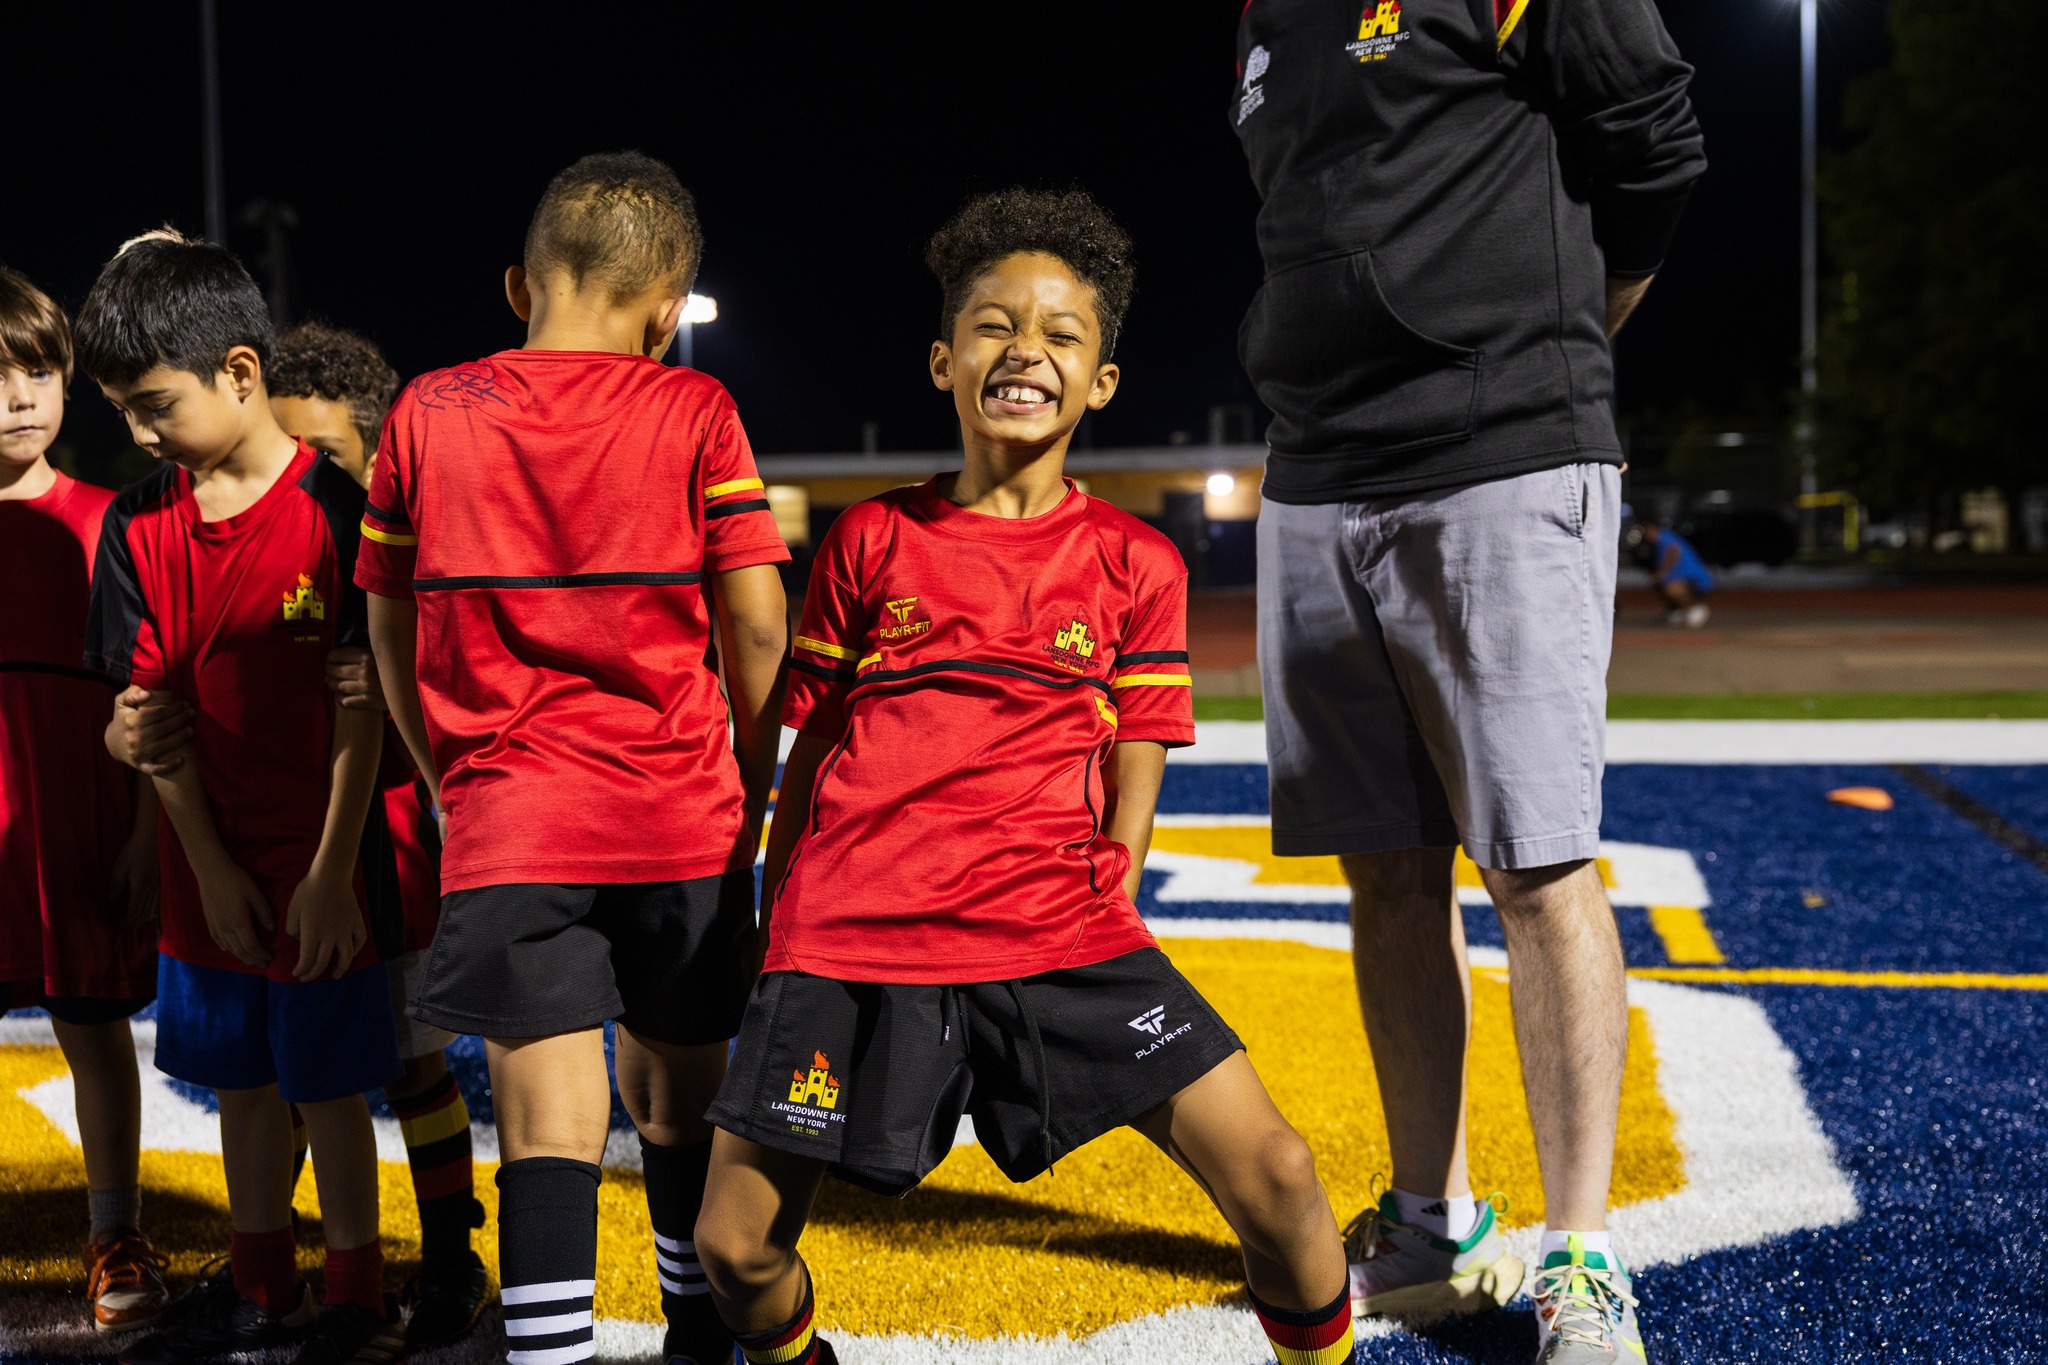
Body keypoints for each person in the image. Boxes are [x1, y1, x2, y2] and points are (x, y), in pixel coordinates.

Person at [693, 188, 1359, 1365]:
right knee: (735, 1250)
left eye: (1060, 334)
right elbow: (813, 745)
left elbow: (1139, 746)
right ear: (942, 361)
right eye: (994, 326)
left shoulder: (1134, 561)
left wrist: (1118, 879)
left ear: (1099, 381)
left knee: (1282, 1177)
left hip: (1054, 926)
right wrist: (768, 916)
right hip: (851, 930)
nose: (1024, 351)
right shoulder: (867, 540)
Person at [1230, 1, 1705, 1359]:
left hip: (1502, 449)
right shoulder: (1265, 12)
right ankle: (1433, 1224)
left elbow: (1655, 141)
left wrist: (1555, 339)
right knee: (1384, 870)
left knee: (1538, 866)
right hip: (1316, 470)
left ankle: (1582, 1255)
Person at [355, 152, 791, 1365]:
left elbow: (387, 625)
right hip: (679, 813)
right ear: (668, 310)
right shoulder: (694, 409)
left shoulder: (426, 412)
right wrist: (752, 786)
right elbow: (758, 627)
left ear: (518, 285)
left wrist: (443, 775)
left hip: (511, 819)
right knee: (678, 1097)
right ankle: (697, 1340)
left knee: (546, 1125)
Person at [76, 231, 403, 1365]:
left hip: (321, 865)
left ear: (240, 371)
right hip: (204, 871)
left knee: (331, 1090)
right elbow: (150, 719)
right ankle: (266, 1287)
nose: (139, 433)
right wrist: (210, 871)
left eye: (154, 405)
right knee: (245, 1090)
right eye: (122, 410)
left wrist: (330, 870)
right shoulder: (137, 524)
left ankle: (358, 1297)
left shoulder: (341, 510)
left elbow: (362, 706)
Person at [268, 320, 492, 1346]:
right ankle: (277, 1261)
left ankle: (450, 1257)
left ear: (372, 457)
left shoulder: (422, 549)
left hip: (388, 843)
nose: (302, 477)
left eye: (322, 455)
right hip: (280, 841)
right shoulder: (260, 540)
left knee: (411, 1063)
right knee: (285, 1068)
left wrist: (401, 685)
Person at [0, 265, 169, 1332]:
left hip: (83, 818)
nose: (19, 395)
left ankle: (117, 1232)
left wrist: (148, 833)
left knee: (96, 1028)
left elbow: (151, 690)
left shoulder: (114, 522)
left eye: (37, 370)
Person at [1642, 520, 1712, 628]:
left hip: (1695, 580)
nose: (1646, 536)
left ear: (1655, 530)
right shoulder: (1659, 543)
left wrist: (1662, 572)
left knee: (1671, 588)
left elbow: (1673, 550)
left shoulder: (1665, 537)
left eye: (1648, 532)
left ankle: (1695, 608)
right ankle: (1677, 611)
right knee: (1660, 584)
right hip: (1684, 579)